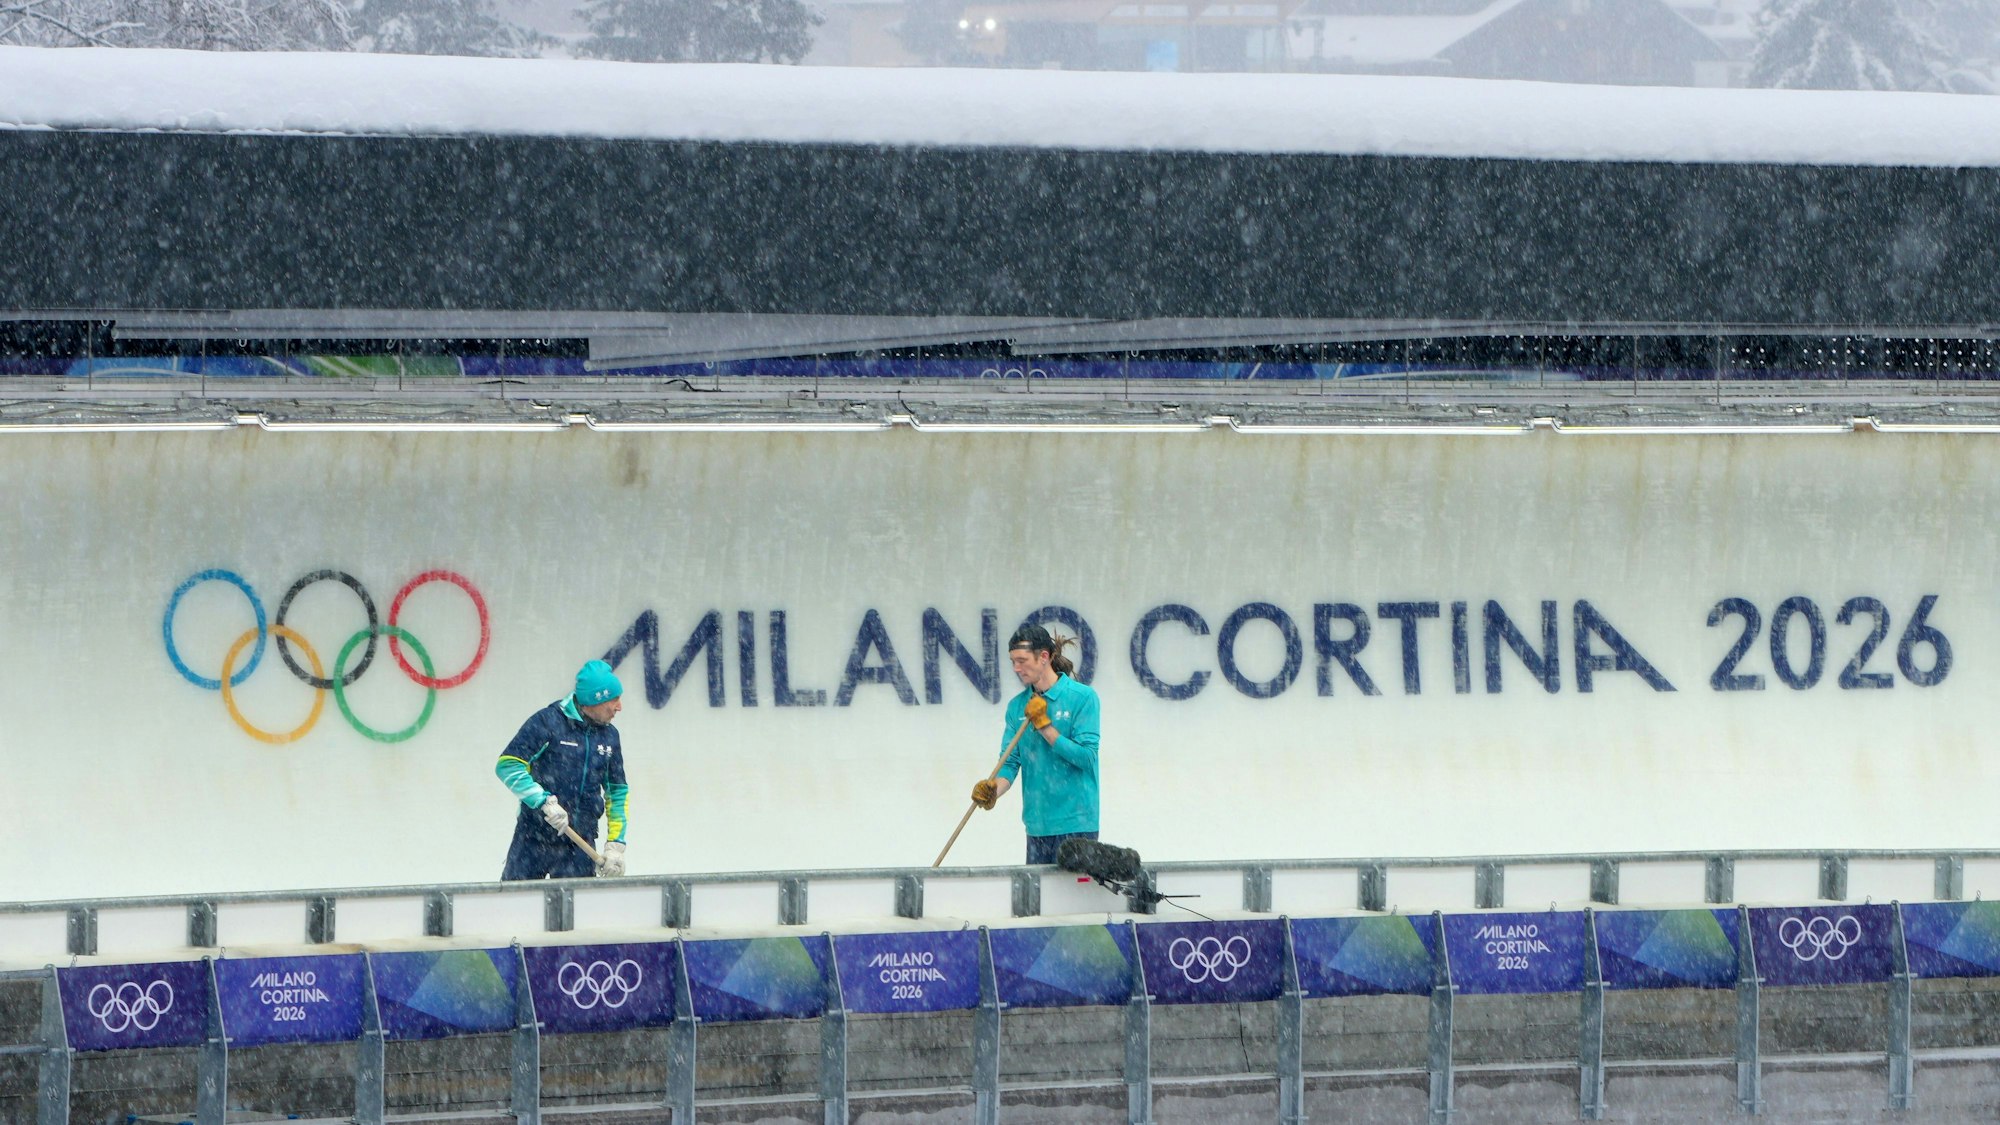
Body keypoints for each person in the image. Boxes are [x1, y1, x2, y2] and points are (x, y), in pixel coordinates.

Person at [970, 624, 1101, 864]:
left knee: (1074, 901)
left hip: (1077, 824)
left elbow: (1087, 758)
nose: (1016, 668)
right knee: (1038, 901)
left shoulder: (1082, 697)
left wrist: (1045, 728)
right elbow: (1009, 762)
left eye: (1022, 660)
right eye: (1012, 661)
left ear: (1043, 657)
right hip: (1037, 826)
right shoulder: (1016, 707)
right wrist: (992, 790)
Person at [495, 659, 630, 880]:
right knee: (516, 908)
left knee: (576, 912)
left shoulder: (610, 736)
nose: (619, 707)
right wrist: (543, 801)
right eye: (614, 699)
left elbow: (617, 792)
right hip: (533, 839)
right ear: (595, 699)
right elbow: (508, 766)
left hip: (580, 844)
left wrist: (616, 845)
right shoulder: (547, 722)